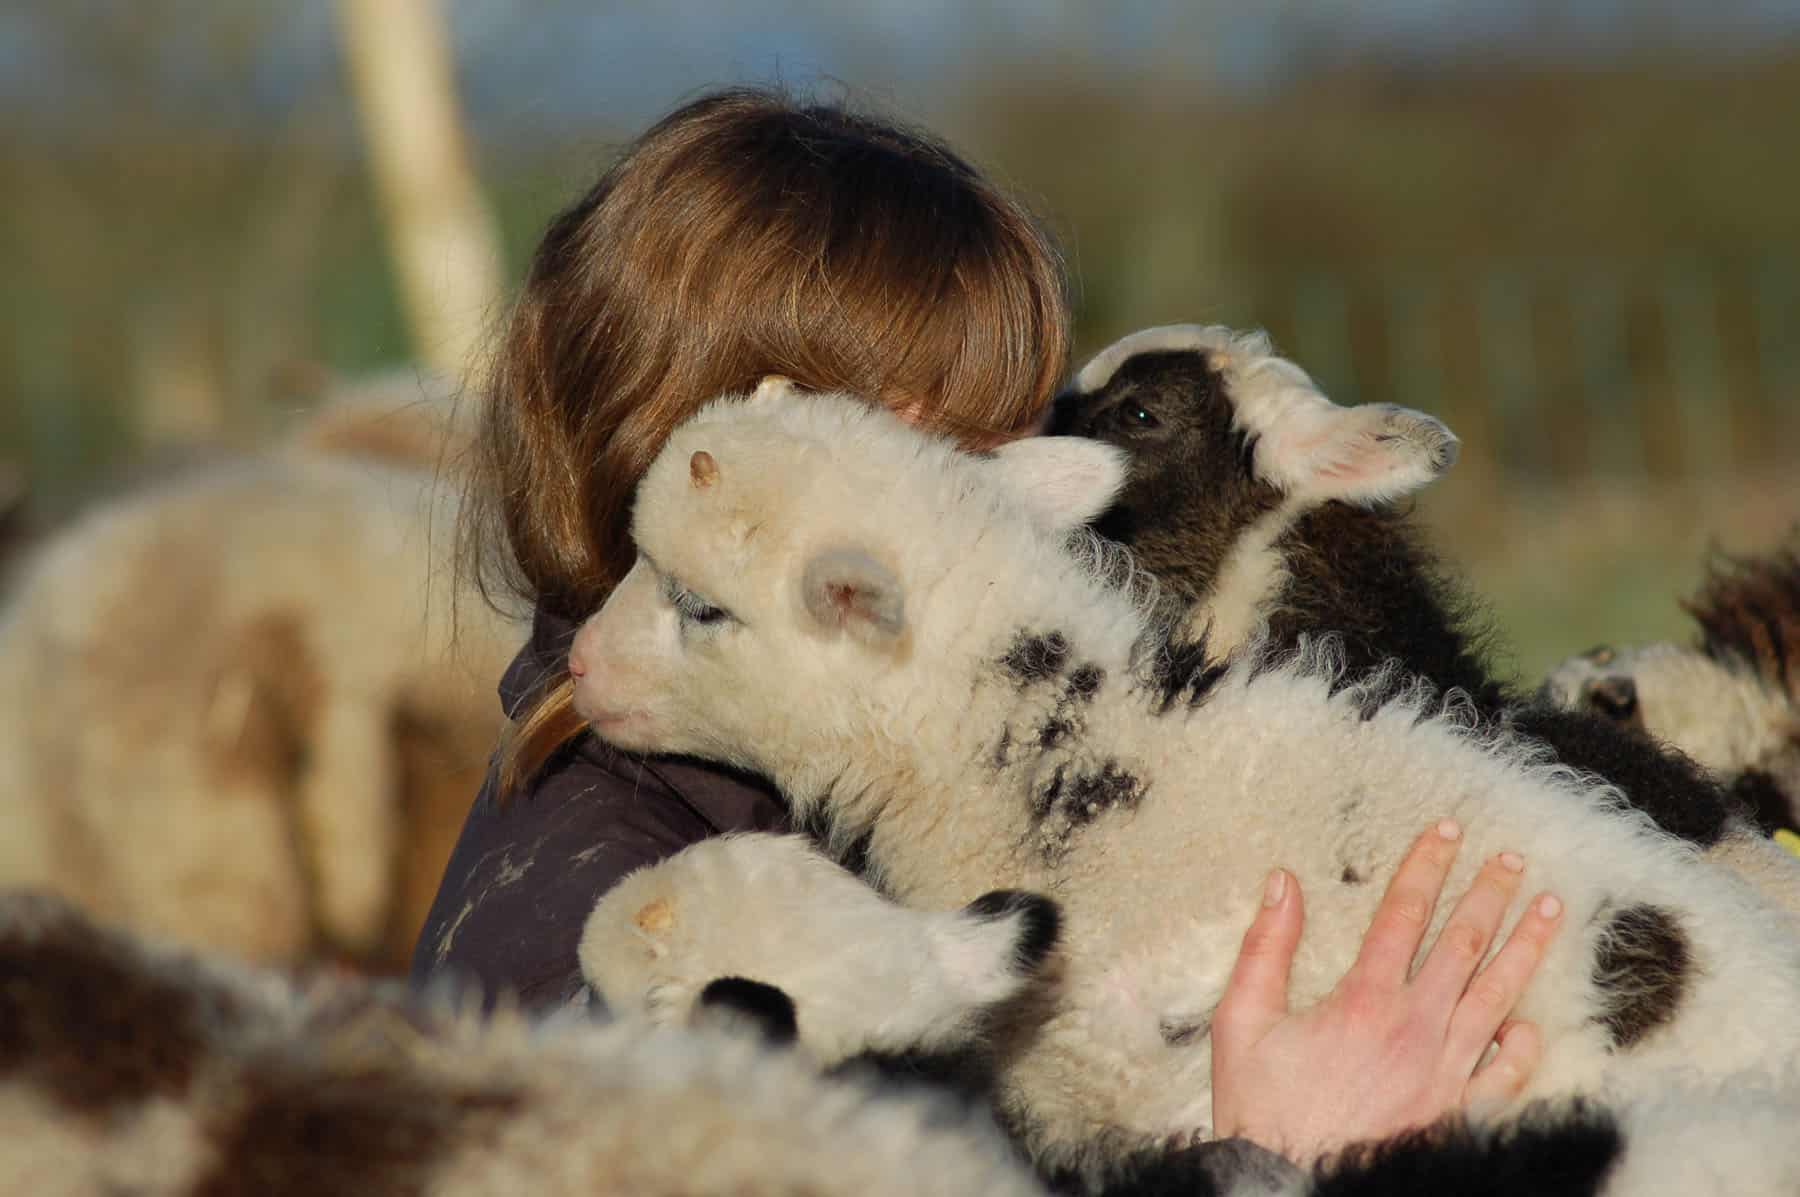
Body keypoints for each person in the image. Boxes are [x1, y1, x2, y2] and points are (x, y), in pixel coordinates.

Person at [412, 85, 1562, 1166]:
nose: (1031, 529)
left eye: (1012, 454)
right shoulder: (620, 938)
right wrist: (1273, 1149)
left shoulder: (863, 802)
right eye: (950, 468)